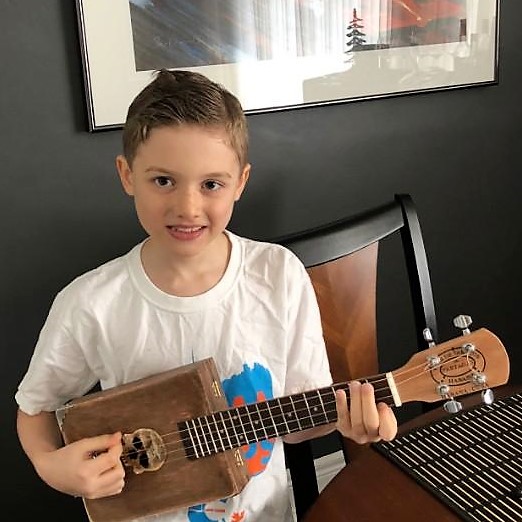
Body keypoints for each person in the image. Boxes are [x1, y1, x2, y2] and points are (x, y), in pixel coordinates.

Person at [15, 69, 397, 522]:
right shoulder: (89, 304)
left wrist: (349, 420)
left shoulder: (278, 275)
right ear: (127, 175)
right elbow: (34, 409)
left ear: (240, 182)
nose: (188, 207)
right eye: (163, 181)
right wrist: (50, 466)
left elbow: (298, 422)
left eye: (211, 184)